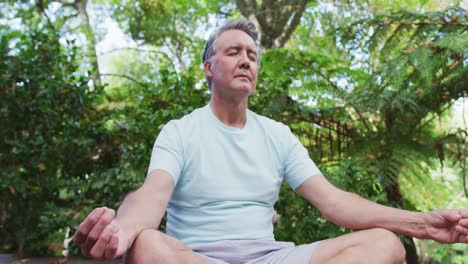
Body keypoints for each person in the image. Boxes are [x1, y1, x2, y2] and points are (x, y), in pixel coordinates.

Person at [74, 19, 468, 264]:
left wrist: (422, 225)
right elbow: (151, 196)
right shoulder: (181, 131)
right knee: (146, 248)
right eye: (233, 52)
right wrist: (121, 232)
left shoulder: (277, 135)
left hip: (271, 258)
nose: (246, 60)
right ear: (209, 68)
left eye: (252, 55)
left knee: (386, 245)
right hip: (196, 258)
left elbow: (335, 202)